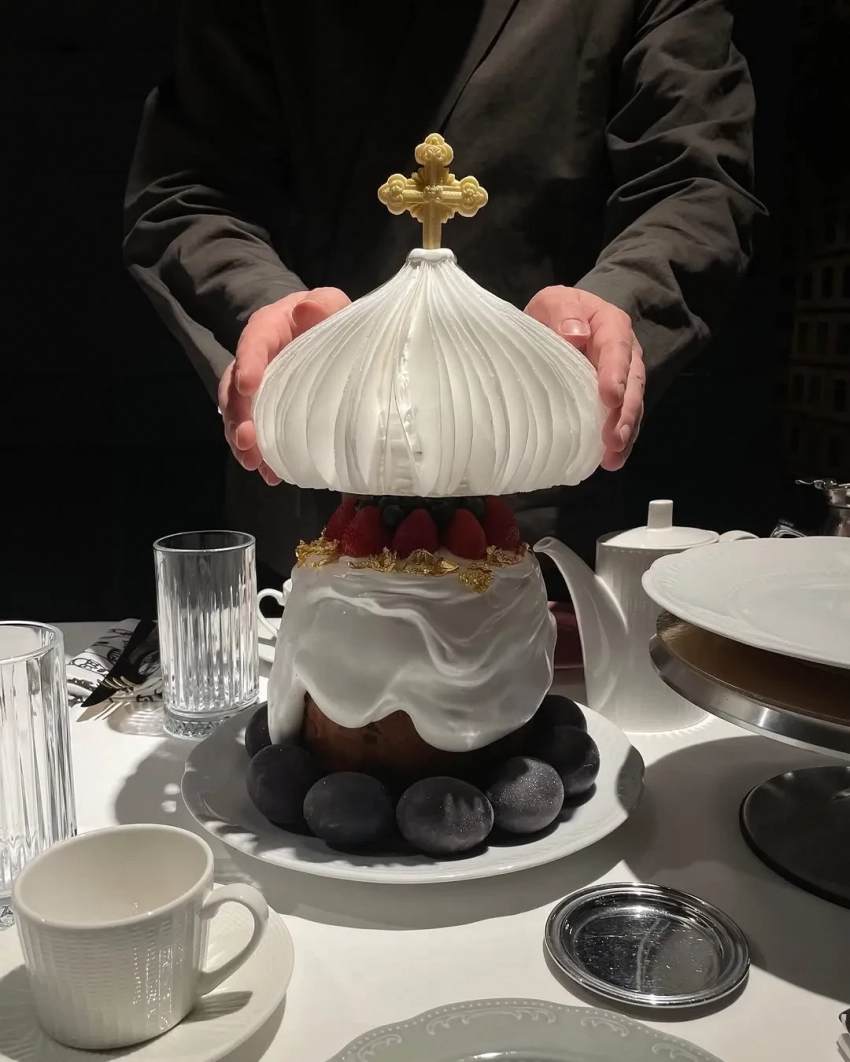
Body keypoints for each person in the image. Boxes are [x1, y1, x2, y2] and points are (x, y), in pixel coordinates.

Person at [123, 0, 764, 583]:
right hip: (313, 482)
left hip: (530, 487)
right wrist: (269, 312)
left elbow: (694, 182)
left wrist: (609, 315)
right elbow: (190, 189)